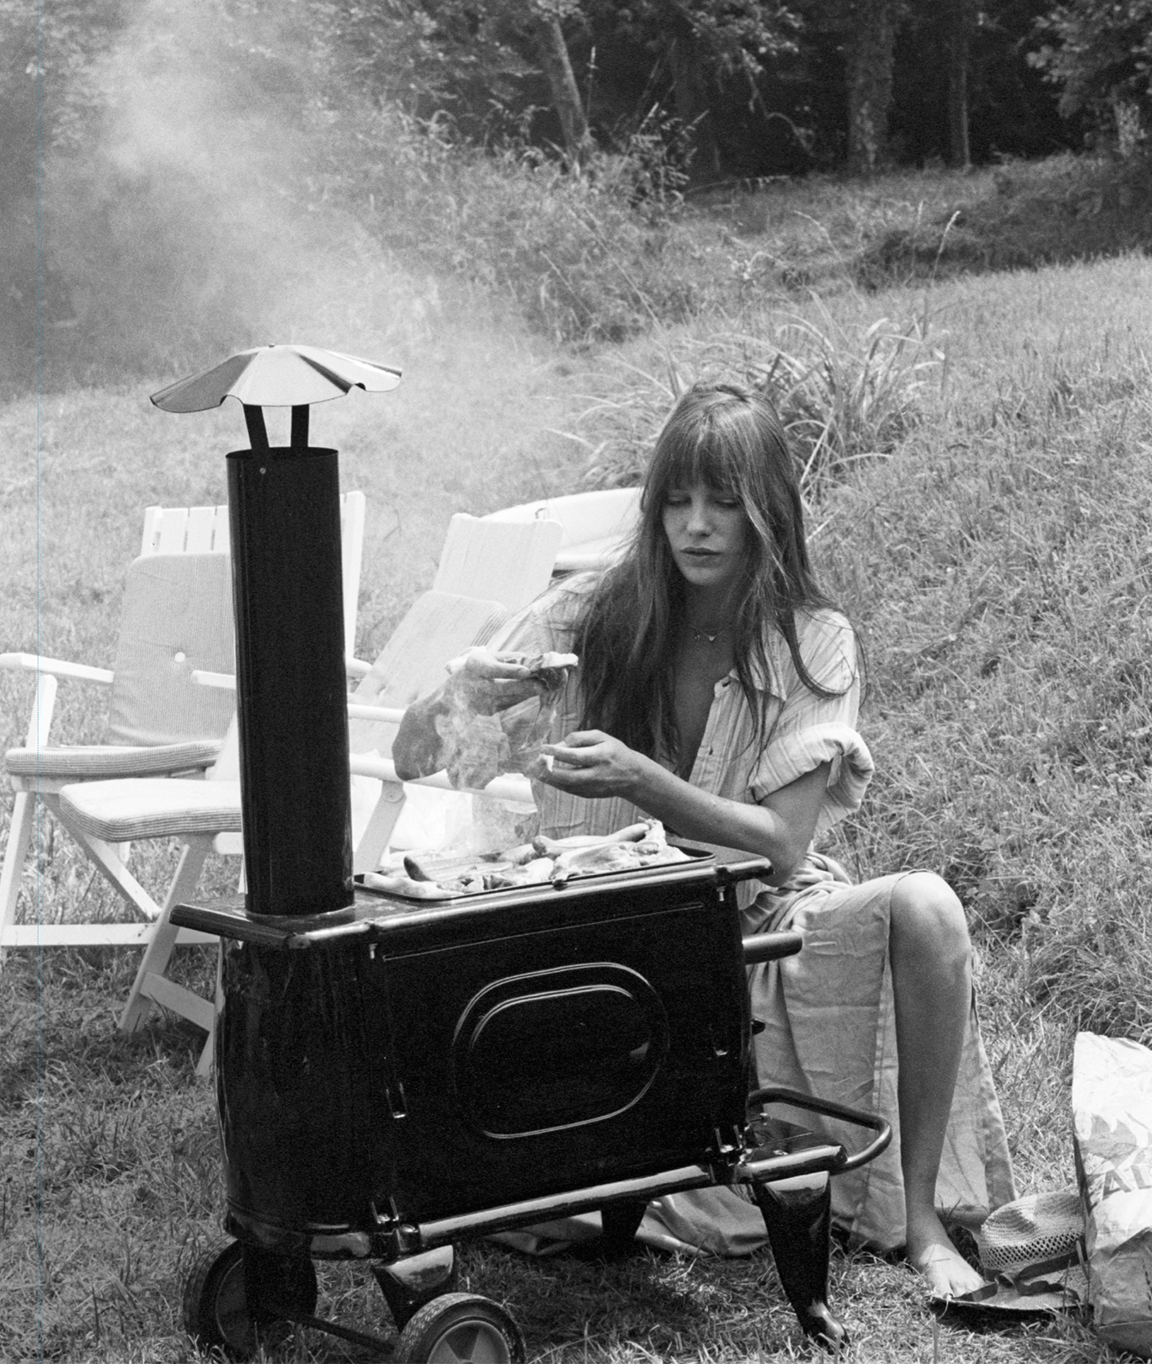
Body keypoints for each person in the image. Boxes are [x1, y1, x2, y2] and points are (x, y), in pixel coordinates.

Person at [400, 382, 1015, 1297]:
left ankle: (921, 1221)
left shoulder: (811, 640)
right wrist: (455, 697)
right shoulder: (582, 615)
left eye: (723, 502)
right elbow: (412, 758)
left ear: (767, 511)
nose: (697, 526)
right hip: (600, 929)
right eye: (678, 501)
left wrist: (641, 779)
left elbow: (780, 846)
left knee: (928, 909)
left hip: (754, 923)